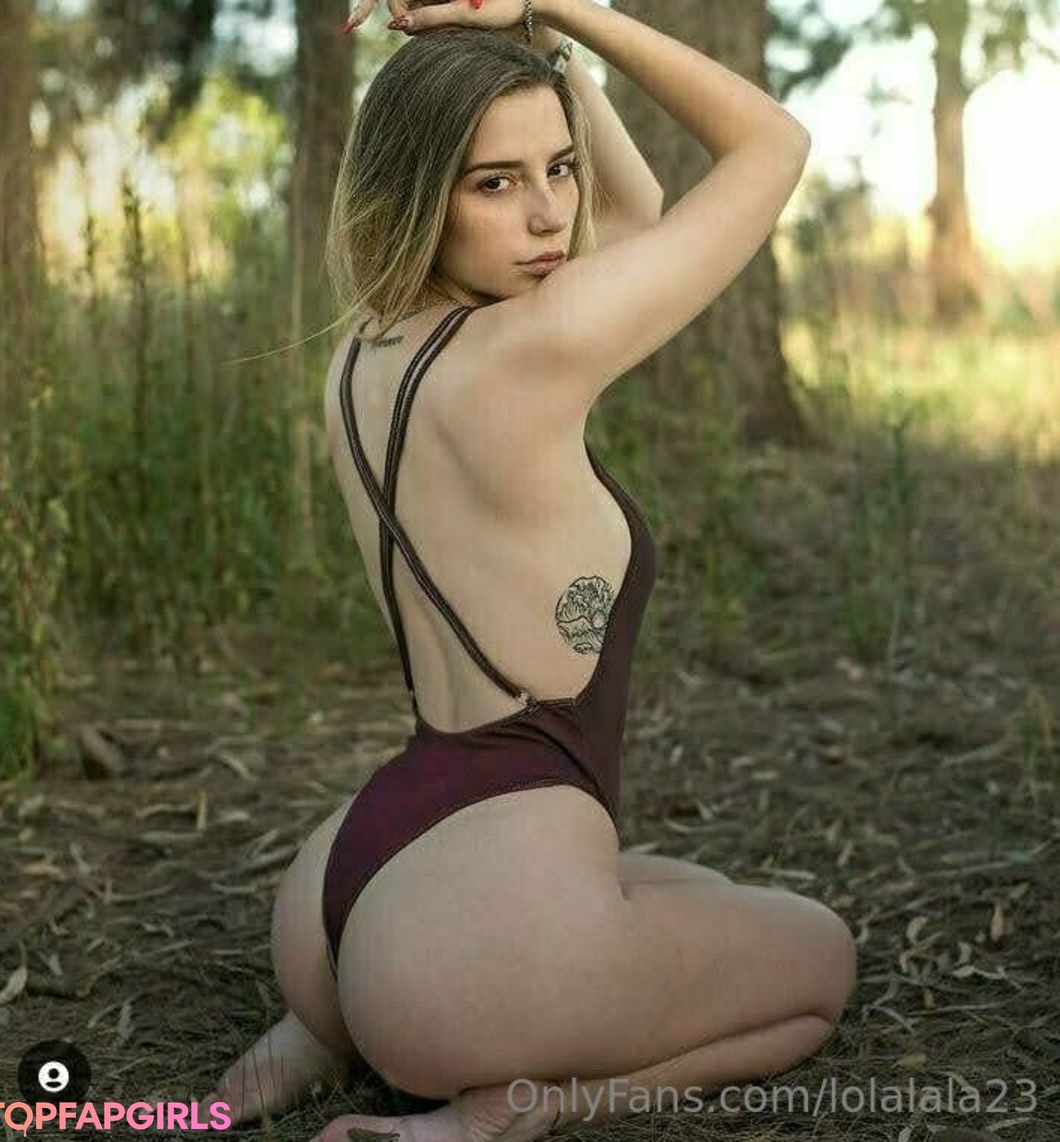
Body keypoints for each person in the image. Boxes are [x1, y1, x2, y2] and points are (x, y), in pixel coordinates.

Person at [204, 1, 855, 1140]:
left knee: (693, 894)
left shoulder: (361, 350)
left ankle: (327, 1028)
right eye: (495, 183)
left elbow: (634, 216)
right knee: (819, 959)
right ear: (420, 193)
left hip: (346, 882)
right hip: (470, 947)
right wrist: (563, 7)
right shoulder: (535, 346)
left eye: (558, 166)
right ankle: (501, 1112)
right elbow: (772, 144)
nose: (551, 212)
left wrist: (537, 52)